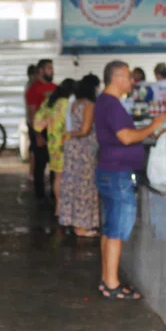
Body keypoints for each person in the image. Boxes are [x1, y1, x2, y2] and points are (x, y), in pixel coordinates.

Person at [95, 61, 166, 301]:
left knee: (109, 230)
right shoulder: (112, 105)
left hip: (109, 171)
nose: (132, 81)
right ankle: (113, 284)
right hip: (118, 174)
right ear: (117, 78)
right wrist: (152, 126)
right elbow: (126, 137)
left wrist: (149, 132)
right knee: (116, 230)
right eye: (128, 77)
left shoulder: (105, 102)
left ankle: (107, 280)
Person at [59, 75, 101, 238]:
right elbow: (85, 130)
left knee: (73, 184)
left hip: (73, 148)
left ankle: (73, 220)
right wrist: (72, 134)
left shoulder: (73, 104)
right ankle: (82, 226)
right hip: (83, 149)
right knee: (85, 185)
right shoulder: (88, 105)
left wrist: (69, 135)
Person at [40, 79, 76, 207]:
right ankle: (66, 206)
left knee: (57, 176)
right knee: (68, 176)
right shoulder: (69, 104)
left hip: (53, 143)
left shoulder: (50, 102)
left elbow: (38, 123)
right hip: (65, 143)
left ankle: (58, 206)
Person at [26, 59, 56, 202]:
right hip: (41, 131)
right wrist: (37, 135)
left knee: (55, 164)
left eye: (52, 68)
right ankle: (40, 196)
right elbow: (32, 113)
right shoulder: (33, 89)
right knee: (40, 164)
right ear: (40, 70)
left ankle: (54, 192)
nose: (52, 71)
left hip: (55, 132)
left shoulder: (56, 88)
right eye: (49, 68)